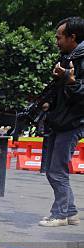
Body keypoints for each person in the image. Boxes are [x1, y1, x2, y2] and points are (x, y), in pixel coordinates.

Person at [39, 16, 84, 227]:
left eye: (59, 37)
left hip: (72, 122)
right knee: (53, 169)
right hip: (61, 119)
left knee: (57, 170)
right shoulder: (69, 57)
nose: (57, 42)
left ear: (72, 37)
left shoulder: (81, 59)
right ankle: (72, 212)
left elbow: (79, 91)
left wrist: (71, 81)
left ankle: (60, 214)